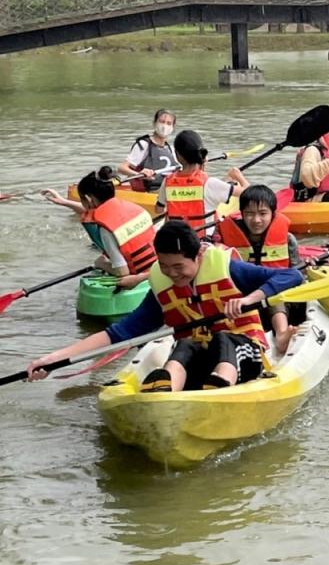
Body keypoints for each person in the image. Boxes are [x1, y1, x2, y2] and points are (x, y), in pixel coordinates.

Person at [27, 221, 304, 391]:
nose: (172, 274)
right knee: (184, 345)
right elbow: (118, 334)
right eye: (164, 266)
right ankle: (166, 389)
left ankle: (221, 384)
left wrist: (247, 299)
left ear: (198, 256)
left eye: (179, 267)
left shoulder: (227, 268)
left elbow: (291, 275)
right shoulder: (162, 286)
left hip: (245, 352)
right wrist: (55, 359)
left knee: (222, 338)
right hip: (197, 358)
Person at [217, 185, 303, 354]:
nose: (256, 220)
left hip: (273, 293)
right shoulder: (223, 237)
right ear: (241, 214)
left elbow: (297, 272)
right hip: (240, 295)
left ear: (273, 214)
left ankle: (281, 334)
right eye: (250, 214)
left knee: (275, 295)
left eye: (263, 214)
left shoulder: (288, 239)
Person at [41, 166, 157, 289]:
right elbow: (93, 210)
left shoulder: (106, 230)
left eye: (82, 199)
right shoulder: (134, 209)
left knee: (101, 261)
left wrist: (101, 264)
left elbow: (123, 272)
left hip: (139, 275)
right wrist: (63, 202)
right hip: (156, 266)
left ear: (89, 199)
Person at [156, 130, 248, 233]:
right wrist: (238, 176)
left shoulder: (167, 182)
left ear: (177, 156)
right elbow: (250, 193)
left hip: (176, 240)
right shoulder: (210, 183)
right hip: (203, 243)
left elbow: (159, 210)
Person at [118, 109, 178, 193]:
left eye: (168, 123)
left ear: (173, 127)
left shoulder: (171, 149)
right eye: (161, 121)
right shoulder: (144, 145)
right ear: (154, 123)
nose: (164, 126)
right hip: (149, 191)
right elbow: (121, 168)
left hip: (167, 190)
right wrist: (138, 174)